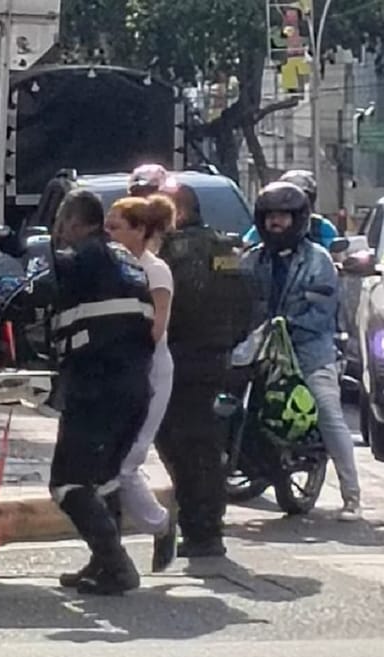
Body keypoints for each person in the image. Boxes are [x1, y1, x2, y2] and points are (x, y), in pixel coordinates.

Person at [47, 189, 156, 595]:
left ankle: (117, 565)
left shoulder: (81, 258)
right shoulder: (126, 259)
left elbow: (39, 285)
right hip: (134, 385)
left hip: (97, 387)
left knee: (68, 483)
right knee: (105, 479)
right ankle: (103, 564)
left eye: (61, 223)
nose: (59, 232)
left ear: (74, 223)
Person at [243, 181, 362, 521]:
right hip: (261, 348)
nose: (275, 222)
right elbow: (239, 301)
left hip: (309, 351)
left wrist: (287, 325)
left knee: (327, 411)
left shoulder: (318, 259)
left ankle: (352, 497)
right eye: (270, 216)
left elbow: (322, 312)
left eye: (283, 216)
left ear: (298, 219)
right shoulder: (252, 259)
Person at [154, 183, 255, 557]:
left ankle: (200, 527)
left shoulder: (173, 250)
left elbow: (170, 304)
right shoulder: (224, 246)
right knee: (203, 445)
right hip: (216, 357)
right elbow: (246, 301)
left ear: (177, 211)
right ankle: (205, 527)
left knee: (181, 444)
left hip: (181, 356)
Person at [101, 194, 180, 573]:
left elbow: (156, 328)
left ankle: (161, 524)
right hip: (116, 370)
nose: (108, 233)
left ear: (140, 230)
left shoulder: (155, 271)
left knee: (127, 461)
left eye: (115, 227)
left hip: (148, 371)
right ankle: (106, 554)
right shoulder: (112, 267)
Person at [242, 170, 339, 249]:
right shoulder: (265, 227)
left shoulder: (321, 226)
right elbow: (247, 244)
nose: (276, 220)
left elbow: (336, 253)